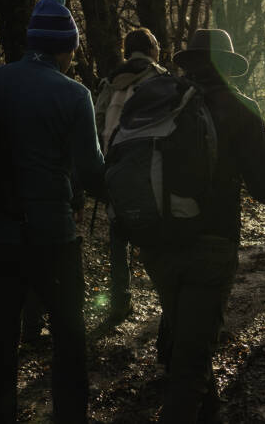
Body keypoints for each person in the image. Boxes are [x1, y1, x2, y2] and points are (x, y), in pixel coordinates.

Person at [140, 28, 265, 422]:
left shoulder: (160, 100)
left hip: (156, 242)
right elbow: (264, 190)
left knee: (190, 340)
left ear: (189, 63)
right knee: (190, 363)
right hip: (211, 245)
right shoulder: (240, 109)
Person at [0, 0, 105, 424]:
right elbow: (91, 173)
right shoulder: (74, 95)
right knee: (69, 343)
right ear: (67, 47)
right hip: (53, 240)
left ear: (31, 42)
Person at [94, 27, 166, 325]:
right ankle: (166, 300)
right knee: (156, 234)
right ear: (152, 50)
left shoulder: (112, 81)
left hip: (115, 163)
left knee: (117, 232)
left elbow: (97, 119)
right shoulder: (161, 78)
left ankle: (120, 302)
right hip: (150, 162)